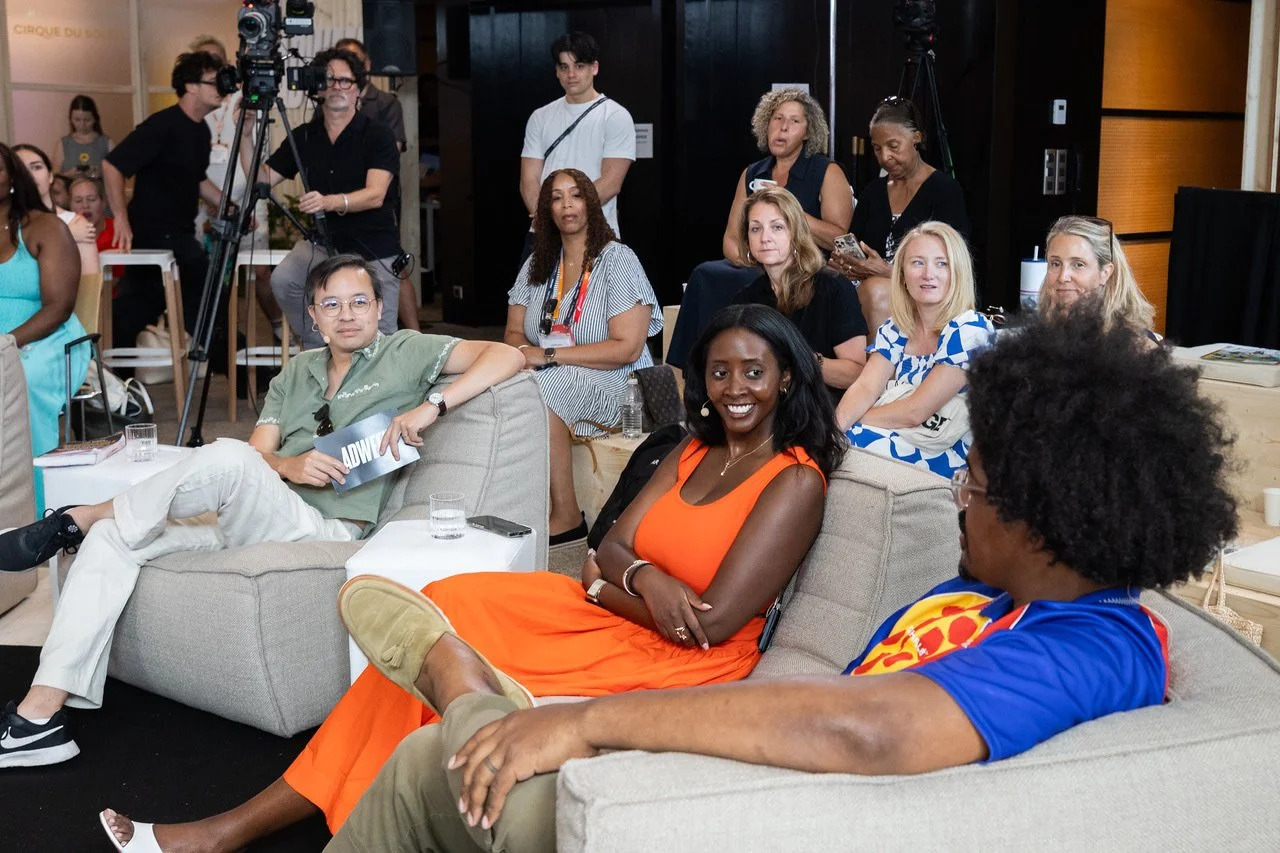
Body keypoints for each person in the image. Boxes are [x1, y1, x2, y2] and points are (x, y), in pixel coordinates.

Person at [273, 304, 1239, 853]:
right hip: (758, 765)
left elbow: (865, 724)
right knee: (432, 763)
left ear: (1047, 516)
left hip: (780, 817)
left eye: (973, 489)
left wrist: (585, 722)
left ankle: (466, 687)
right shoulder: (979, 600)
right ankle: (467, 692)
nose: (958, 502)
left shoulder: (1101, 643)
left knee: (455, 756)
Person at [98, 302, 844, 853]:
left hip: (683, 662)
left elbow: (707, 622)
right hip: (620, 613)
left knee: (444, 648)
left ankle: (239, 828)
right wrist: (636, 578)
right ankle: (383, 784)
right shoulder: (691, 449)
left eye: (754, 371)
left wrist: (608, 580)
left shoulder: (794, 480)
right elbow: (612, 543)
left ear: (785, 378)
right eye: (720, 370)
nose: (735, 387)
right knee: (441, 612)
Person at [0, 253, 525, 770]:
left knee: (222, 457)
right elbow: (258, 454)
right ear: (313, 317)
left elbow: (508, 355)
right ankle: (39, 718)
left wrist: (431, 405)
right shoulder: (296, 373)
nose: (348, 314)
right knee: (114, 536)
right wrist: (289, 465)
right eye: (332, 304)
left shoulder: (407, 351)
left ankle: (75, 517)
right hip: (258, 514)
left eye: (360, 302)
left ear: (379, 306)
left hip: (326, 528)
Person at [505, 168, 662, 544]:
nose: (566, 205)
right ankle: (520, 502)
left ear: (591, 204)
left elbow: (628, 347)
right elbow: (512, 333)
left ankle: (567, 516)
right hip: (551, 372)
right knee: (509, 386)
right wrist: (523, 357)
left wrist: (549, 354)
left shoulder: (617, 259)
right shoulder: (537, 265)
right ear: (546, 210)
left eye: (575, 195)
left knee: (547, 384)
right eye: (556, 198)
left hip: (622, 387)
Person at [667, 88, 854, 370]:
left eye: (794, 121)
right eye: (777, 119)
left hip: (804, 264)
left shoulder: (826, 171)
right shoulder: (753, 172)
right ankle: (698, 370)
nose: (783, 127)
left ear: (808, 132)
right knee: (706, 273)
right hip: (756, 263)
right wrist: (754, 257)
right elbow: (731, 238)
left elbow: (838, 237)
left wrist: (787, 211)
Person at [248, 47, 406, 351]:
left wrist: (328, 202)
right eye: (329, 80)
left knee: (380, 337)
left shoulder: (377, 134)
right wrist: (244, 136)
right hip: (324, 243)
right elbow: (262, 178)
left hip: (373, 246)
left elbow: (375, 195)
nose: (337, 87)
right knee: (284, 280)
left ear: (359, 89)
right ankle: (318, 347)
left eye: (345, 81)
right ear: (317, 89)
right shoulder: (305, 135)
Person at [835, 221, 993, 478]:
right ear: (902, 275)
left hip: (950, 452)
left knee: (852, 446)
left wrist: (854, 422)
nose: (928, 274)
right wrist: (833, 428)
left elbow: (916, 412)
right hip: (900, 435)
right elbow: (865, 387)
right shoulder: (896, 328)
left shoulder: (969, 328)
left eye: (942, 264)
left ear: (957, 272)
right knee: (830, 445)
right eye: (917, 263)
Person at [102, 50, 226, 356]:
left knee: (138, 307)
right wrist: (120, 217)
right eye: (214, 82)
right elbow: (113, 166)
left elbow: (196, 178)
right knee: (203, 286)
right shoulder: (162, 126)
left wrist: (230, 207)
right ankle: (232, 361)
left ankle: (118, 377)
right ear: (192, 86)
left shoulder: (200, 130)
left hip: (177, 232)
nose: (221, 88)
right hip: (154, 232)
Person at [829, 97, 970, 335]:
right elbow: (856, 245)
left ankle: (874, 370)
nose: (885, 157)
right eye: (877, 148)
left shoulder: (944, 190)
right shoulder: (873, 192)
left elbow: (955, 265)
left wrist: (888, 272)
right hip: (868, 288)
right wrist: (847, 264)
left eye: (893, 146)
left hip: (925, 293)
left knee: (875, 290)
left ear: (916, 138)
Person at [0, 143, 89, 511]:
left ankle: (33, 508)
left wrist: (6, 343)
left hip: (47, 337)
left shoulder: (43, 227)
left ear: (10, 180)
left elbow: (60, 306)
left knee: (21, 377)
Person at [730, 185, 866, 399]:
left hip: (821, 407)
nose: (765, 237)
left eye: (777, 227)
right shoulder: (747, 298)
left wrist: (803, 360)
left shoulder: (834, 287)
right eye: (756, 229)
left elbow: (856, 373)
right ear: (747, 240)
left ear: (796, 233)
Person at [187, 35, 281, 341]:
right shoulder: (196, 108)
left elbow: (256, 160)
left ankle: (278, 325)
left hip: (247, 199)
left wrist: (232, 203)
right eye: (204, 63)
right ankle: (221, 339)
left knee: (260, 272)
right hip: (206, 203)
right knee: (209, 275)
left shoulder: (246, 100)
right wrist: (214, 202)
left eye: (217, 61)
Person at [520, 31, 635, 257]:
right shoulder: (540, 117)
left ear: (595, 68)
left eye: (579, 66)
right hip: (544, 234)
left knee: (593, 294)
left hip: (596, 233)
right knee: (531, 293)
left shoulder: (615, 116)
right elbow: (528, 181)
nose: (571, 74)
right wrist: (550, 219)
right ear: (557, 72)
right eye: (564, 67)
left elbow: (611, 183)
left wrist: (567, 216)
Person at [333, 36, 418, 333]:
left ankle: (411, 334)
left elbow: (391, 152)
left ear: (365, 66)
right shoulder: (330, 105)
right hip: (344, 208)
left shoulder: (385, 104)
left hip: (380, 199)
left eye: (353, 62)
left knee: (390, 267)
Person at [1039, 214, 1158, 339]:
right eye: (1056, 264)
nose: (1063, 277)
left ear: (1105, 273)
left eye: (1078, 265)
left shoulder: (1133, 342)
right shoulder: (1040, 332)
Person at [12, 144, 98, 275]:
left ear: (51, 176)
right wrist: (64, 236)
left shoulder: (76, 224)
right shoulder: (5, 222)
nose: (30, 175)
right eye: (21, 169)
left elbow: (90, 286)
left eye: (37, 167)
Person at [51, 94, 113, 176]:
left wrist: (100, 172)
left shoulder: (106, 142)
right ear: (70, 119)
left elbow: (117, 173)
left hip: (98, 186)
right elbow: (54, 175)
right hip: (70, 185)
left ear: (95, 119)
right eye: (77, 120)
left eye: (87, 120)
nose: (82, 125)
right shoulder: (63, 143)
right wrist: (68, 174)